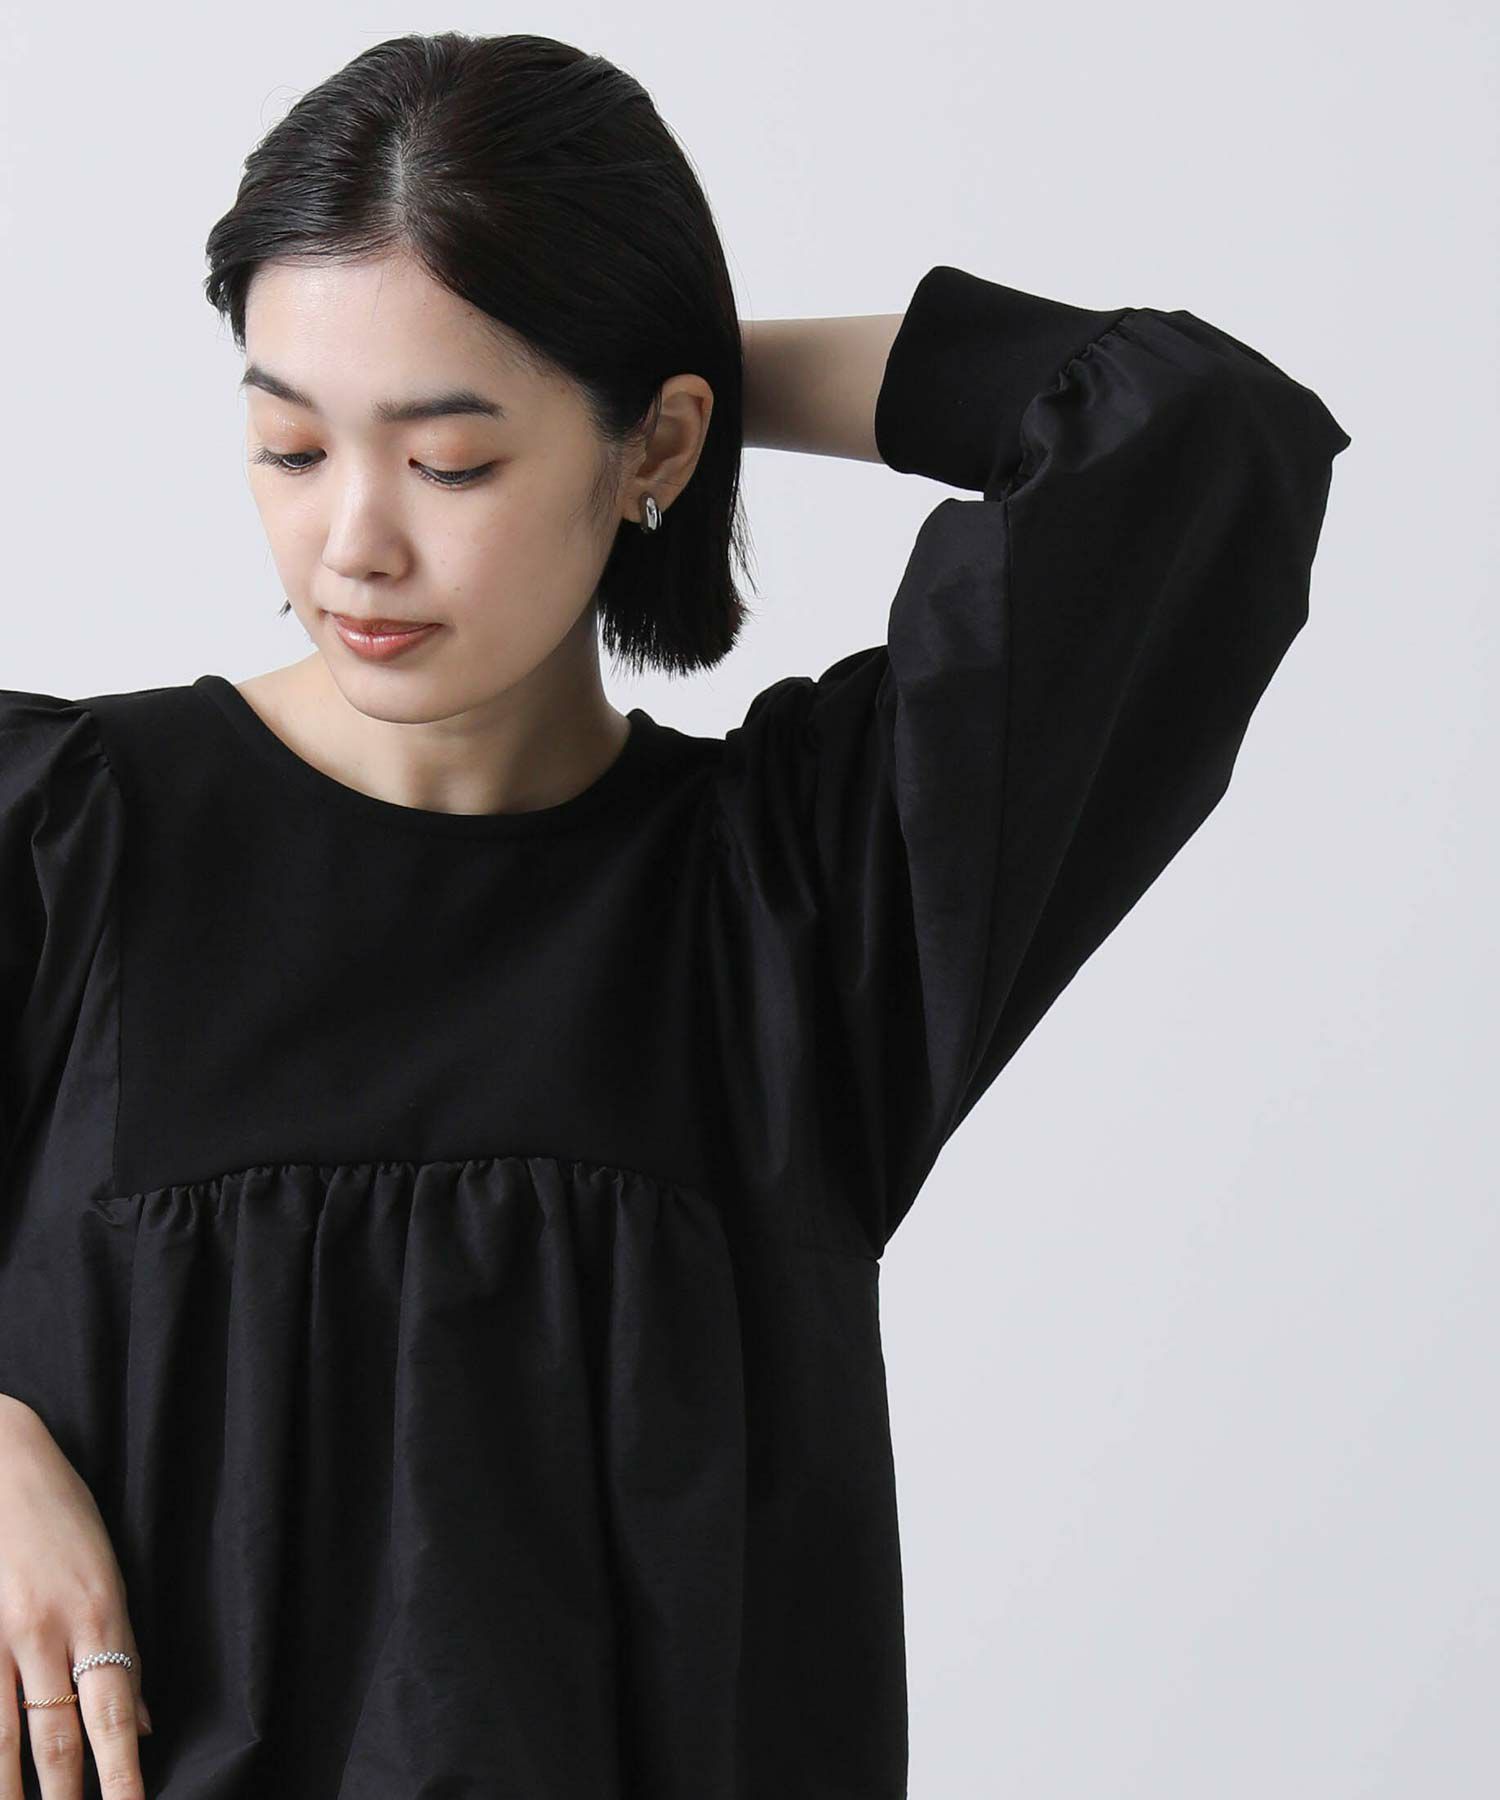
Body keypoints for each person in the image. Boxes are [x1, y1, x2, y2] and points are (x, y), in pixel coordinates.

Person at [0, 28, 1352, 1800]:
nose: (353, 544)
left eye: (450, 458)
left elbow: (1196, 436)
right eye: (289, 443)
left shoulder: (807, 902)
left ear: (655, 444)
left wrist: (678, 362)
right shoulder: (64, 844)